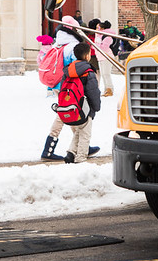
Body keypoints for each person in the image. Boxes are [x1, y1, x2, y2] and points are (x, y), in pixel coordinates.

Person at [41, 15, 99, 161]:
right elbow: (78, 68)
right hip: (70, 87)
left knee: (71, 114)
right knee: (67, 116)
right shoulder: (73, 46)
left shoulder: (58, 43)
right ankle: (49, 151)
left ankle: (79, 146)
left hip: (60, 85)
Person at [62, 42, 101, 163]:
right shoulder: (88, 72)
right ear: (87, 56)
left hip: (71, 106)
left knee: (79, 130)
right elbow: (93, 91)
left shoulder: (68, 70)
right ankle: (81, 158)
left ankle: (71, 153)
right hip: (85, 107)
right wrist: (96, 107)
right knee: (85, 134)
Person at [95, 20, 115, 97]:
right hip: (100, 57)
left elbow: (104, 48)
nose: (96, 29)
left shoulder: (107, 36)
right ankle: (106, 89)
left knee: (106, 74)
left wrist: (97, 45)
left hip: (106, 57)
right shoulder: (98, 35)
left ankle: (110, 89)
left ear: (103, 28)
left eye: (98, 27)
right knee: (103, 74)